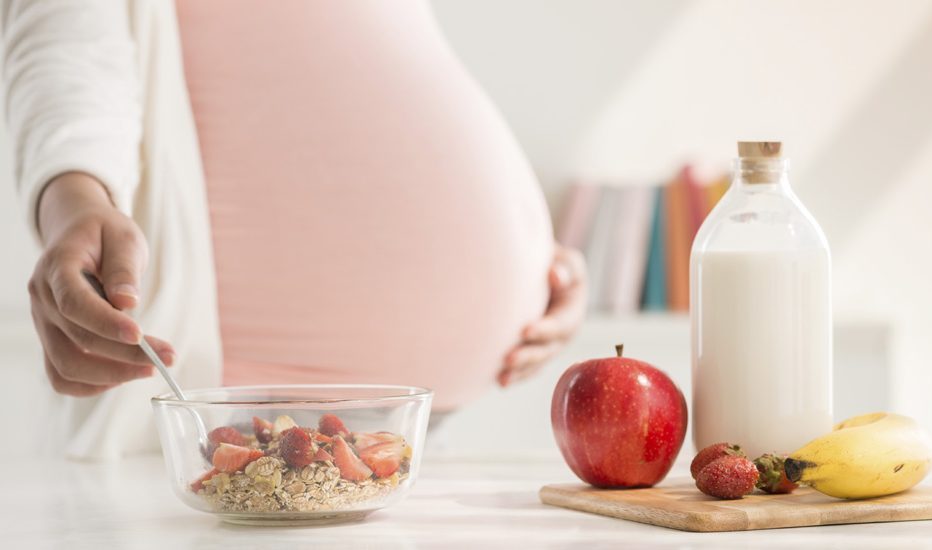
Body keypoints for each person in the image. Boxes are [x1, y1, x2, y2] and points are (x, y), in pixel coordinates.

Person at [1, 0, 586, 459]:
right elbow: (66, 47)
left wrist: (535, 264)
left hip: (420, 433)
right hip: (227, 428)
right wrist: (75, 202)